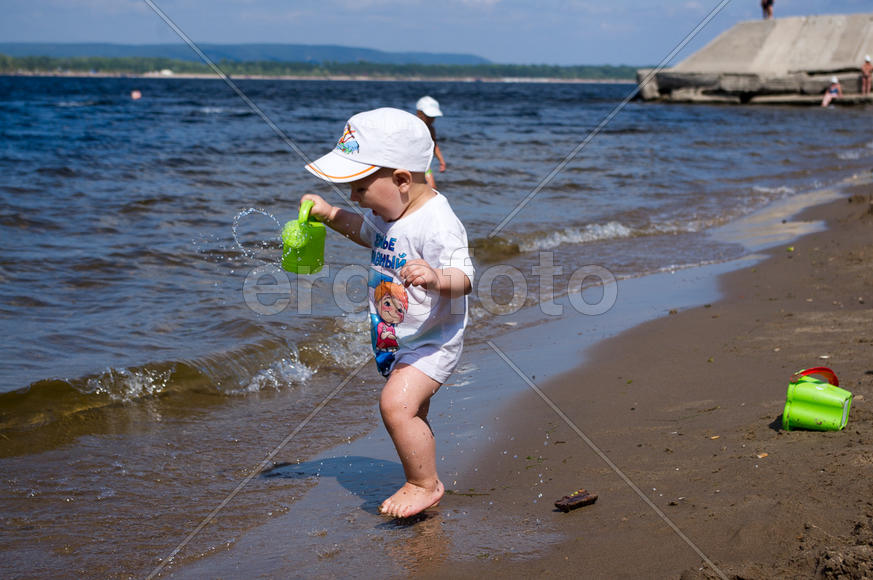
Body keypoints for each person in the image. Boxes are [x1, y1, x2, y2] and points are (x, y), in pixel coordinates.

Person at [301, 107, 474, 519]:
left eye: (359, 189)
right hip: (401, 339)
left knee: (395, 406)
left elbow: (464, 276)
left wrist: (435, 276)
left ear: (400, 180)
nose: (355, 200)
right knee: (411, 412)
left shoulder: (437, 222)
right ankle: (421, 472)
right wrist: (328, 215)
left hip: (434, 340)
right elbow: (364, 232)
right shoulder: (392, 213)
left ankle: (423, 484)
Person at [415, 96, 447, 190]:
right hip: (410, 163)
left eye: (433, 117)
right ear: (419, 113)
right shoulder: (413, 126)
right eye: (429, 116)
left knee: (432, 188)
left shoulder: (431, 129)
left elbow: (434, 145)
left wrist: (441, 161)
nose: (432, 120)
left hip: (424, 165)